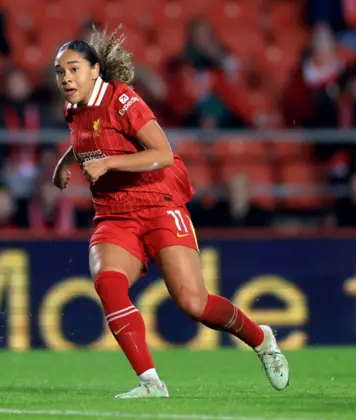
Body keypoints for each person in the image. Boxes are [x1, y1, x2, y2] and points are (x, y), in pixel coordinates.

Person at [51, 25, 289, 399]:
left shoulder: (124, 101)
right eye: (60, 71)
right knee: (108, 283)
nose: (66, 78)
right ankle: (150, 383)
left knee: (194, 304)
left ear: (95, 70)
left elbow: (162, 154)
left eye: (74, 69)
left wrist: (108, 163)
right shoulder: (72, 108)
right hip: (114, 213)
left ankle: (262, 339)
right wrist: (66, 162)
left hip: (158, 204)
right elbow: (87, 136)